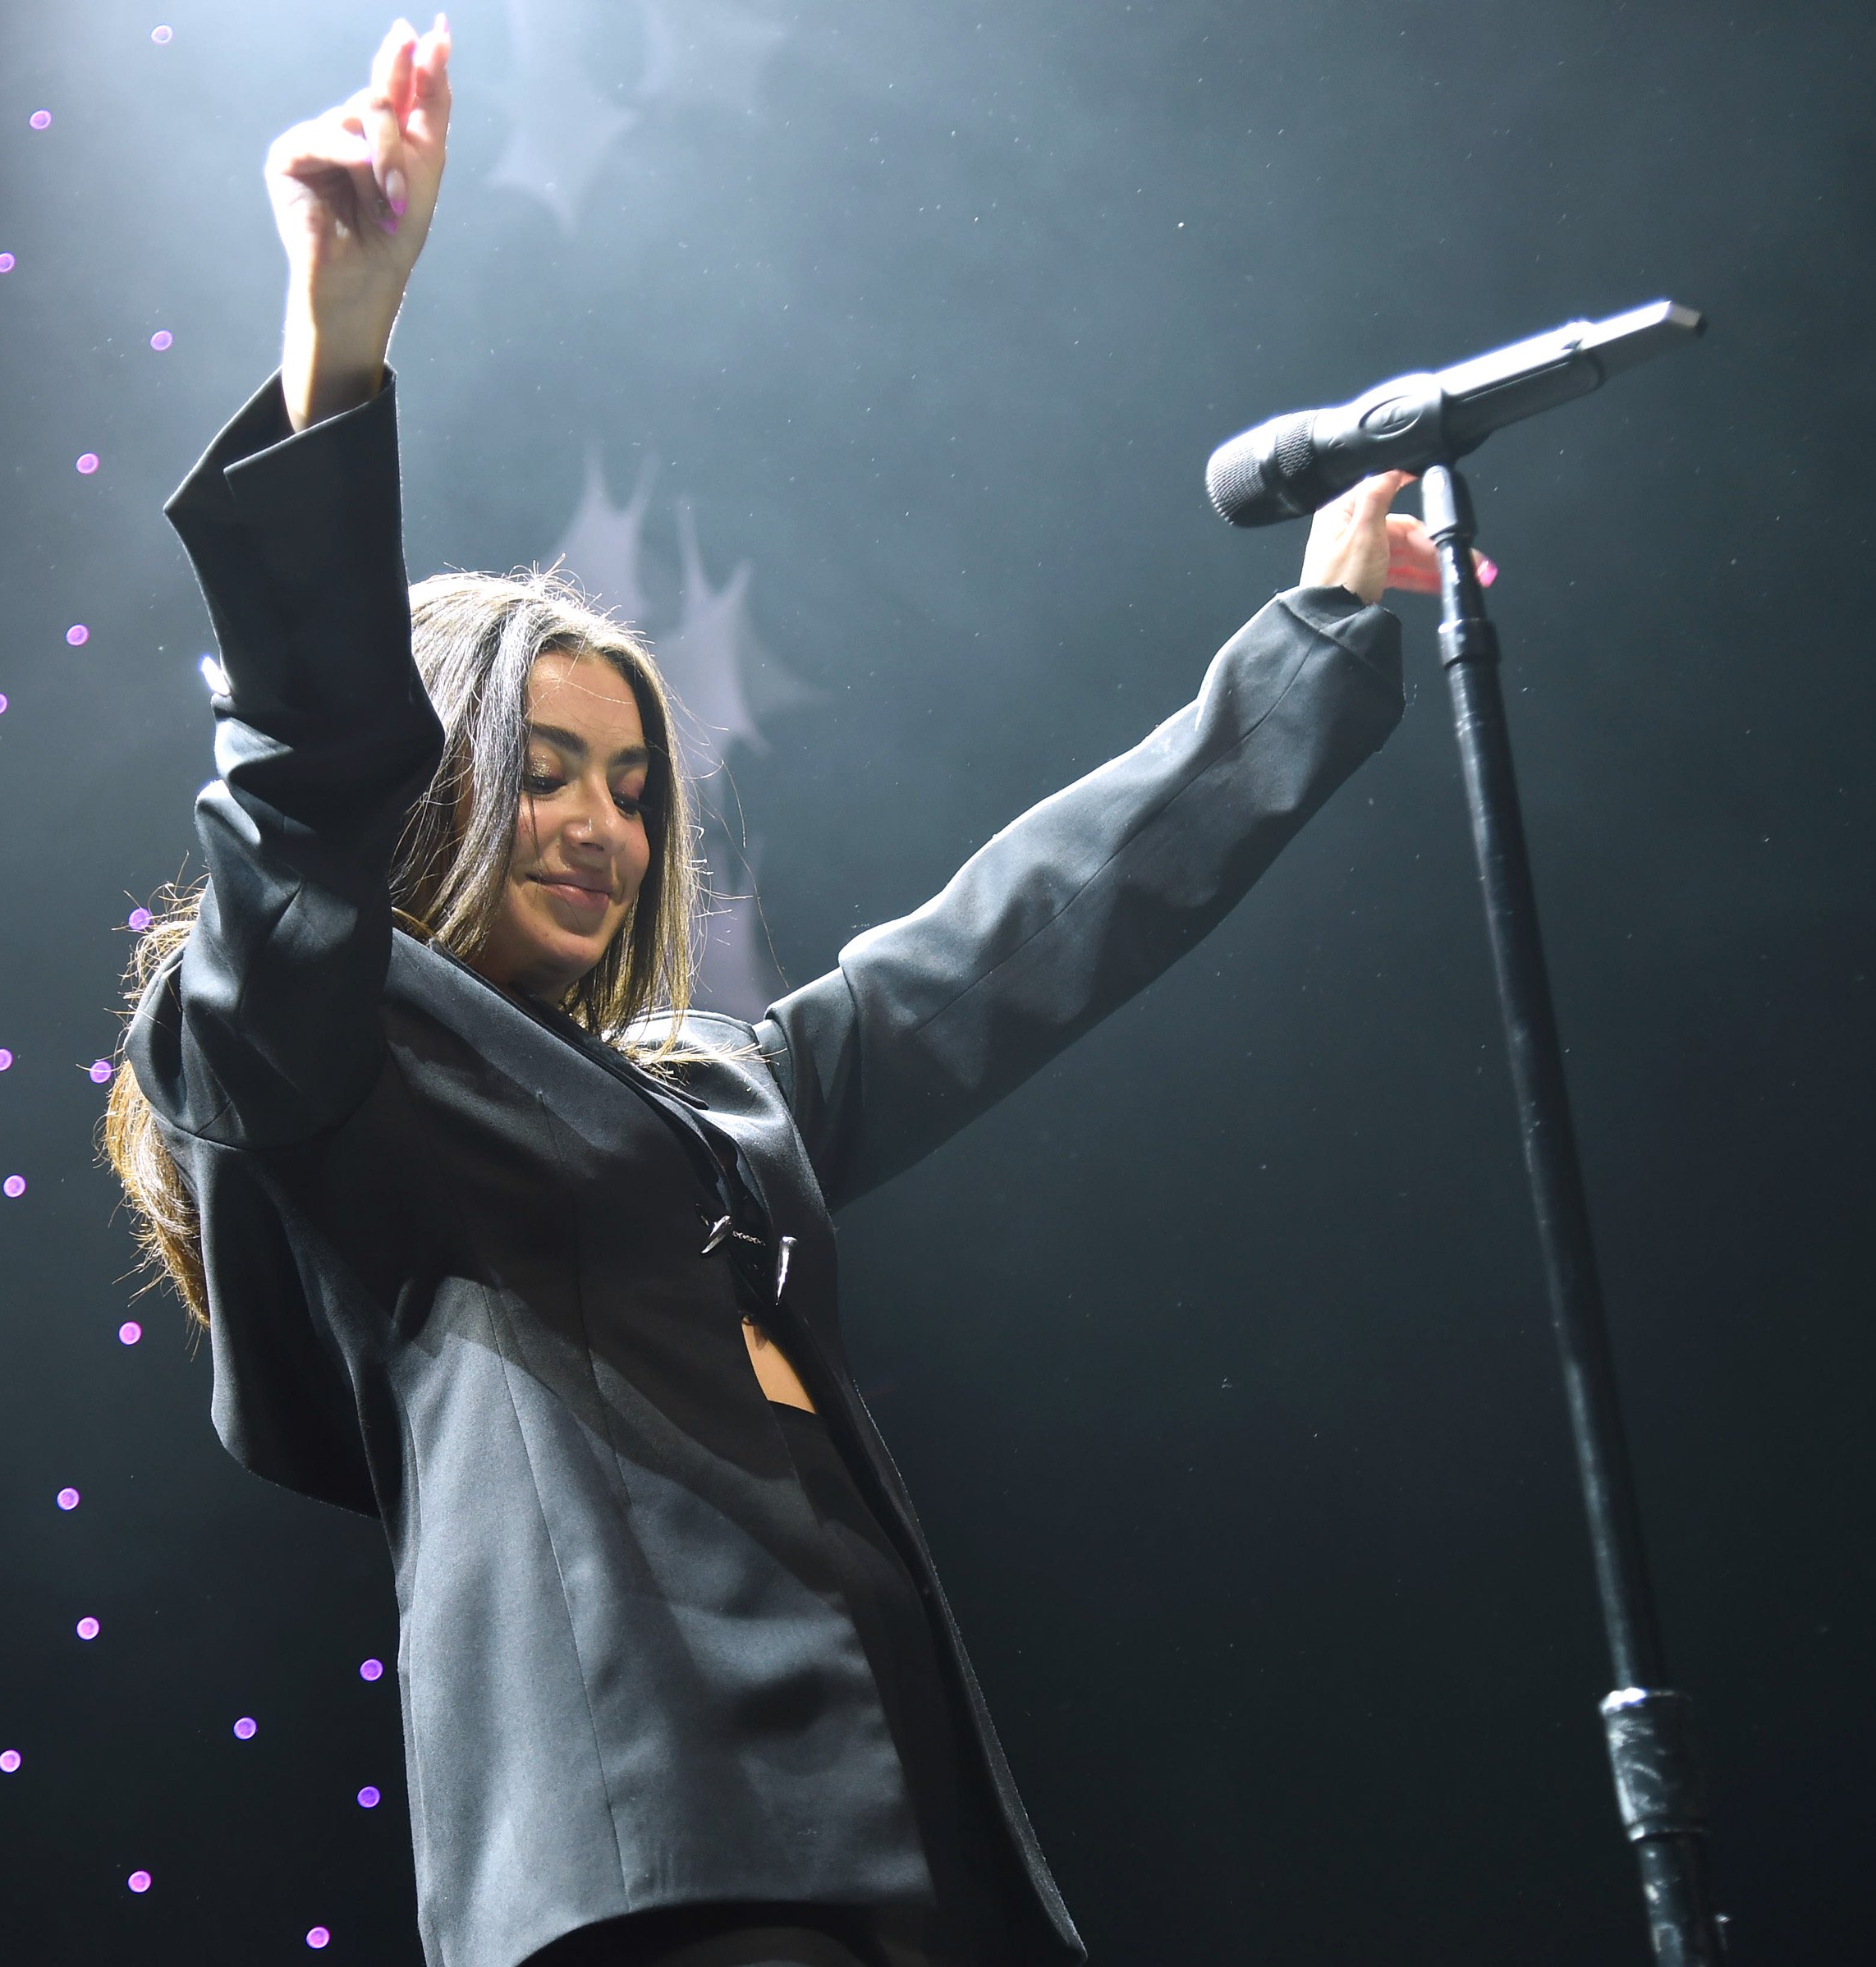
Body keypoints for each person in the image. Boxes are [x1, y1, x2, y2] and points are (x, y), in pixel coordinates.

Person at [103, 20, 1461, 1967]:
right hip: (657, 1863)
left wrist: (1318, 638)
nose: (602, 827)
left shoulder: (711, 1091)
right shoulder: (311, 1063)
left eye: (637, 789)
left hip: (903, 1844)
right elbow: (302, 787)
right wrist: (338, 353)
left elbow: (1020, 936)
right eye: (548, 768)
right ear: (437, 784)